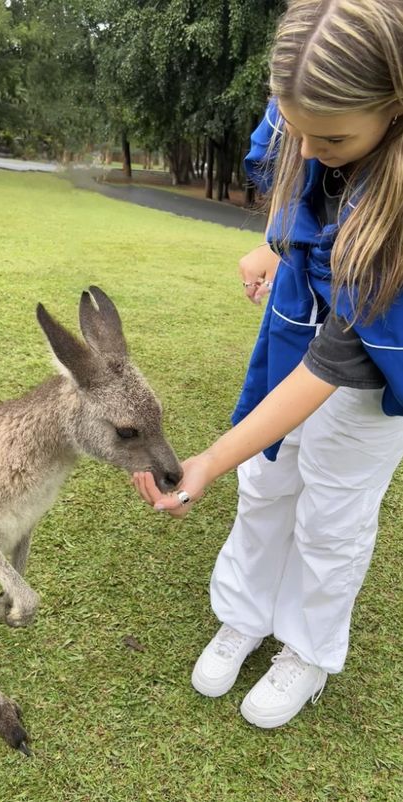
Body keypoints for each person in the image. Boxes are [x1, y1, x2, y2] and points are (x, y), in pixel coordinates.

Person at [133, 0, 403, 729]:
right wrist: (276, 242)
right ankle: (244, 614)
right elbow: (299, 192)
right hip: (294, 326)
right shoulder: (302, 121)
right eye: (297, 131)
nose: (309, 150)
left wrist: (206, 462)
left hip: (364, 367)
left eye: (334, 136)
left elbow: (329, 366)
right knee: (268, 481)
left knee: (333, 517)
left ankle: (308, 650)